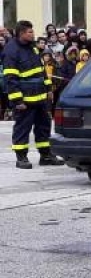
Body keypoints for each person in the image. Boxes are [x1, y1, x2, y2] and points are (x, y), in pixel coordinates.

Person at [3, 21, 65, 169]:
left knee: (44, 126)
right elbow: (10, 79)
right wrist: (18, 100)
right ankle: (21, 157)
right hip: (24, 100)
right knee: (22, 128)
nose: (33, 34)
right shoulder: (11, 51)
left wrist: (49, 89)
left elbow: (41, 69)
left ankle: (46, 155)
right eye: (30, 32)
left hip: (41, 97)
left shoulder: (33, 48)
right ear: (21, 33)